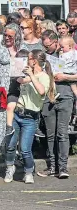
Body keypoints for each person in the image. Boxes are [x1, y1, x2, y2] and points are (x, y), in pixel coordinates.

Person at [4, 50, 54, 184]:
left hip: (30, 118)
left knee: (25, 149)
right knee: (10, 145)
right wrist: (18, 74)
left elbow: (41, 91)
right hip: (17, 113)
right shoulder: (26, 74)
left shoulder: (44, 76)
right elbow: (20, 80)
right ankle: (10, 167)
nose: (26, 61)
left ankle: (28, 171)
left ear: (34, 61)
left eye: (29, 59)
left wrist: (31, 75)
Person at [38, 30, 75, 178]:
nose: (47, 48)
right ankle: (53, 166)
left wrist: (65, 76)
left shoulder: (69, 56)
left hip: (65, 95)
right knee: (50, 134)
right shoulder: (46, 57)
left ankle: (63, 167)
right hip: (49, 97)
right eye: (45, 46)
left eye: (49, 46)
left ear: (56, 42)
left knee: (62, 133)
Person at [0, 24, 23, 141]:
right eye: (5, 35)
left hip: (19, 86)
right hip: (2, 85)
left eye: (10, 36)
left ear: (16, 36)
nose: (6, 38)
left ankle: (17, 146)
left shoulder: (22, 48)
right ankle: (1, 144)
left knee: (18, 115)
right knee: (1, 115)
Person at [58, 36, 77, 101]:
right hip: (73, 72)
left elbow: (60, 65)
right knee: (73, 86)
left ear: (70, 46)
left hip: (66, 72)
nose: (61, 49)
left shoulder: (63, 55)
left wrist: (59, 69)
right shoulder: (75, 53)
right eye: (60, 47)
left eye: (62, 47)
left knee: (73, 86)